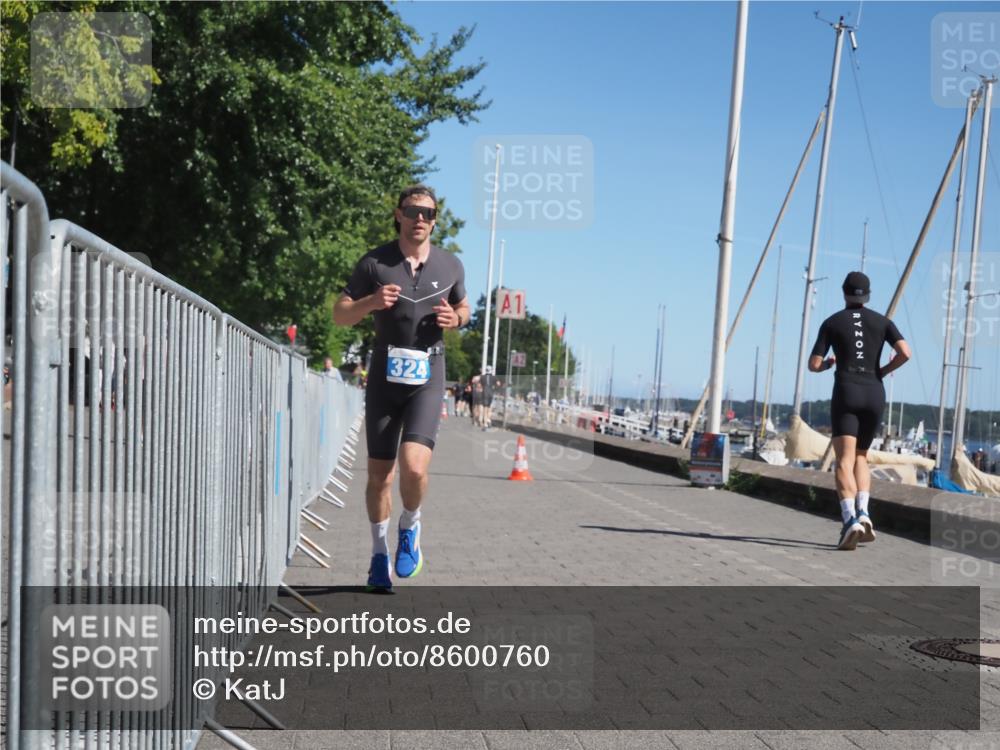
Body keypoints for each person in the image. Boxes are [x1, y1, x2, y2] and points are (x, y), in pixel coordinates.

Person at [333, 185, 470, 591]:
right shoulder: (375, 263)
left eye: (428, 213)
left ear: (435, 220)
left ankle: (410, 525)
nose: (420, 219)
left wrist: (457, 320)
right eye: (412, 211)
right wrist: (371, 302)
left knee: (414, 466)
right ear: (399, 215)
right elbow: (340, 314)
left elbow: (463, 307)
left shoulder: (450, 265)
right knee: (379, 476)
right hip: (384, 378)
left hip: (428, 376)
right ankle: (379, 555)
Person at [809, 271, 911, 551]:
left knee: (844, 460)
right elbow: (905, 352)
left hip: (847, 391)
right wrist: (882, 371)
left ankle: (849, 519)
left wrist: (829, 364)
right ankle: (864, 512)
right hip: (874, 392)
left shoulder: (832, 322)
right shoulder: (883, 322)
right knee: (861, 457)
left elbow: (813, 365)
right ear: (868, 295)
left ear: (844, 292)